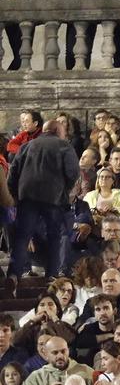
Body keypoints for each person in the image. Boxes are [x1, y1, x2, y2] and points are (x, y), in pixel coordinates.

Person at [6, 119, 80, 282]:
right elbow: (73, 172)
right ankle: (51, 275)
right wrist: (64, 190)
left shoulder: (26, 146)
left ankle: (13, 274)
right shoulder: (64, 146)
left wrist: (16, 195)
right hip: (53, 199)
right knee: (55, 236)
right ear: (58, 131)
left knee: (22, 237)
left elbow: (13, 173)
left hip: (27, 197)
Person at [2, 0, 39, 71]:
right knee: (17, 54)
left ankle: (7, 76)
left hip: (26, 20)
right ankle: (10, 75)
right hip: (11, 21)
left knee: (22, 54)